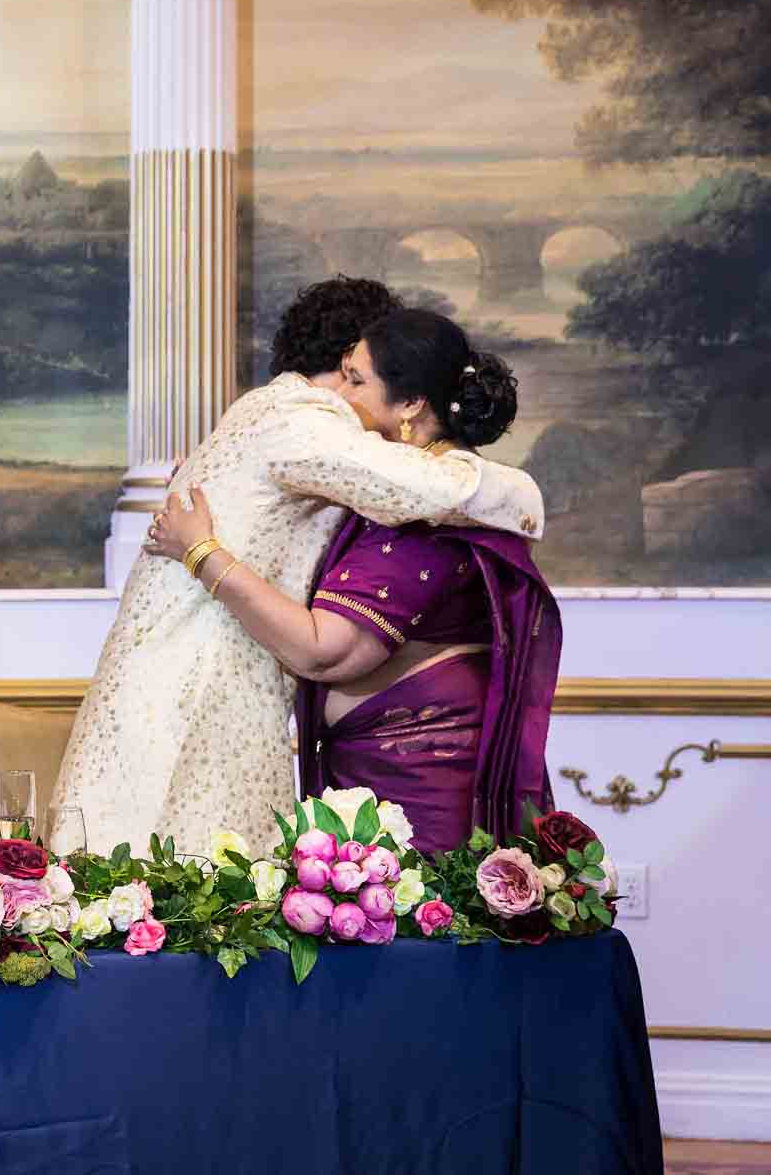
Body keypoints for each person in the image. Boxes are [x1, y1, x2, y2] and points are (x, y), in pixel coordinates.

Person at [49, 278, 546, 859]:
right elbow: (426, 485)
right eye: (354, 375)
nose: (356, 392)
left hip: (193, 682)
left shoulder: (267, 412)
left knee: (160, 896)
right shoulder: (305, 420)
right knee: (185, 895)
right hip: (203, 687)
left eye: (367, 376)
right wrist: (525, 496)